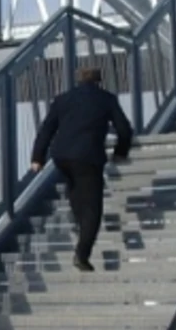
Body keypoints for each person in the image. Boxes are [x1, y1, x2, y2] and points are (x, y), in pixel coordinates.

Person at [29, 66, 133, 271]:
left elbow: (46, 129)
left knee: (76, 196)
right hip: (89, 158)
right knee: (93, 208)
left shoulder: (62, 99)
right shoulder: (106, 99)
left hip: (61, 156)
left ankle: (81, 230)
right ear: (99, 80)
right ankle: (82, 254)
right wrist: (120, 152)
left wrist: (37, 157)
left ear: (78, 80)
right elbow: (124, 128)